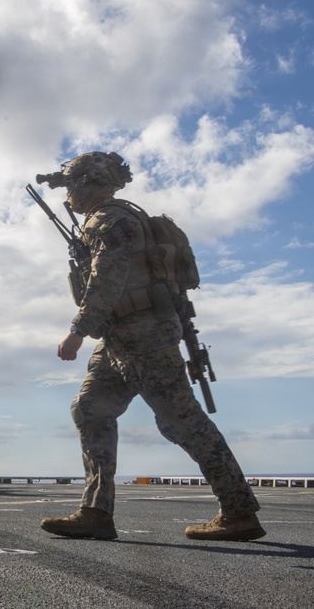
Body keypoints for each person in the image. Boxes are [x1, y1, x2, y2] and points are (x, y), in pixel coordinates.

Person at [38, 151, 264, 542]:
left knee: (181, 421)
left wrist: (78, 329)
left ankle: (239, 511)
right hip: (120, 336)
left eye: (72, 183)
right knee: (90, 408)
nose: (69, 192)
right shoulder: (116, 218)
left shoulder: (110, 220)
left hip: (142, 335)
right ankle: (96, 512)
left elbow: (109, 276)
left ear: (89, 183)